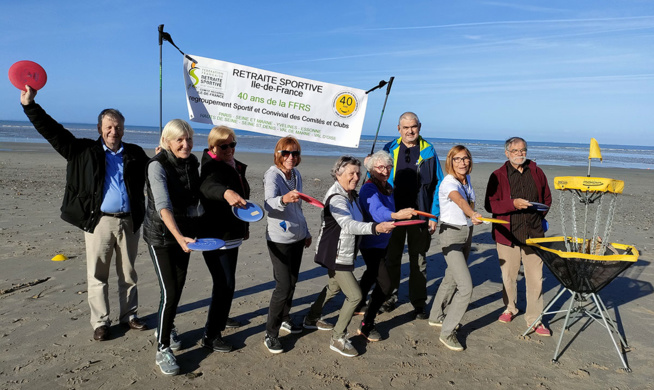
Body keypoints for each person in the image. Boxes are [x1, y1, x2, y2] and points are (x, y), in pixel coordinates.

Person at [20, 86, 149, 341]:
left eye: (119, 127)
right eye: (109, 127)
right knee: (97, 274)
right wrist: (30, 106)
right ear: (100, 128)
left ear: (124, 129)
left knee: (129, 273)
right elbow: (53, 131)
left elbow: (154, 174)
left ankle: (129, 315)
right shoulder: (82, 151)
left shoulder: (134, 153)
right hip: (100, 221)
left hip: (130, 221)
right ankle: (100, 322)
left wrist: (162, 155)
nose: (114, 131)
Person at [306, 156, 396, 357]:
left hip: (344, 251)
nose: (355, 177)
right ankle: (338, 337)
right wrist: (376, 227)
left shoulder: (350, 195)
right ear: (338, 174)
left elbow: (361, 216)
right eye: (350, 173)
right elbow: (348, 224)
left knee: (334, 287)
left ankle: (311, 318)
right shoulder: (337, 198)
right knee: (355, 295)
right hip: (336, 254)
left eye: (358, 173)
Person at [143, 119, 203, 376]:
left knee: (176, 288)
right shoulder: (156, 166)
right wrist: (178, 237)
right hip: (161, 236)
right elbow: (163, 205)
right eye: (179, 139)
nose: (185, 144)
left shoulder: (192, 162)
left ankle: (165, 326)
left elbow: (194, 199)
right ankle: (162, 348)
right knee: (169, 291)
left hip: (184, 234)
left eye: (188, 138)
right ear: (167, 142)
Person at [484, 137, 552, 336]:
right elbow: (491, 204)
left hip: (534, 233)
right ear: (507, 153)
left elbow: (547, 198)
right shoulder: (497, 175)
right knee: (509, 276)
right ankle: (510, 307)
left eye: (523, 150)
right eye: (515, 151)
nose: (520, 154)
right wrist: (512, 204)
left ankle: (535, 318)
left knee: (536, 278)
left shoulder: (537, 172)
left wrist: (538, 215)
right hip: (507, 233)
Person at [382, 112, 444, 319]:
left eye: (414, 127)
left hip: (420, 214)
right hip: (393, 214)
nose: (410, 131)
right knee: (392, 258)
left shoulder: (428, 150)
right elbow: (375, 178)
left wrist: (433, 216)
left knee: (419, 260)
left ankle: (418, 302)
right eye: (405, 127)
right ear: (398, 128)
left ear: (420, 126)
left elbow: (438, 185)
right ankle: (389, 297)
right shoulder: (389, 148)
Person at [198, 125, 251, 353]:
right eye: (223, 145)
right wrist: (225, 193)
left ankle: (223, 315)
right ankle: (211, 335)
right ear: (213, 146)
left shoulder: (234, 165)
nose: (229, 149)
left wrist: (244, 226)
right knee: (224, 283)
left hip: (232, 233)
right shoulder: (210, 167)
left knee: (227, 283)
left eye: (232, 144)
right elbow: (208, 186)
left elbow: (244, 199)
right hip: (215, 235)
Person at [356, 151, 414, 341]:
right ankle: (367, 324)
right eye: (380, 167)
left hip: (383, 241)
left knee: (371, 274)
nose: (385, 170)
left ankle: (357, 303)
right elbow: (378, 212)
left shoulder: (387, 186)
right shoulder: (368, 189)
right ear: (372, 169)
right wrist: (398, 216)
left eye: (388, 167)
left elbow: (389, 208)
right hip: (370, 242)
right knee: (386, 285)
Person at [428, 145, 482, 352]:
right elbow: (459, 200)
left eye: (465, 158)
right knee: (466, 287)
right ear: (450, 161)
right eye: (457, 159)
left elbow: (466, 199)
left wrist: (472, 217)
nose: (462, 162)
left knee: (450, 277)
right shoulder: (449, 182)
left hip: (466, 234)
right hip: (451, 234)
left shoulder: (465, 181)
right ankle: (447, 332)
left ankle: (436, 316)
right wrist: (472, 214)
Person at [262, 136, 312, 353]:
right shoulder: (272, 175)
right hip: (279, 239)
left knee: (292, 281)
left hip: (297, 236)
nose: (291, 157)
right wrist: (283, 199)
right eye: (286, 153)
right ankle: (270, 334)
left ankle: (285, 317)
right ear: (278, 154)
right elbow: (268, 204)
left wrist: (306, 231)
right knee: (282, 286)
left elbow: (299, 208)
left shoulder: (297, 175)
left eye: (295, 153)